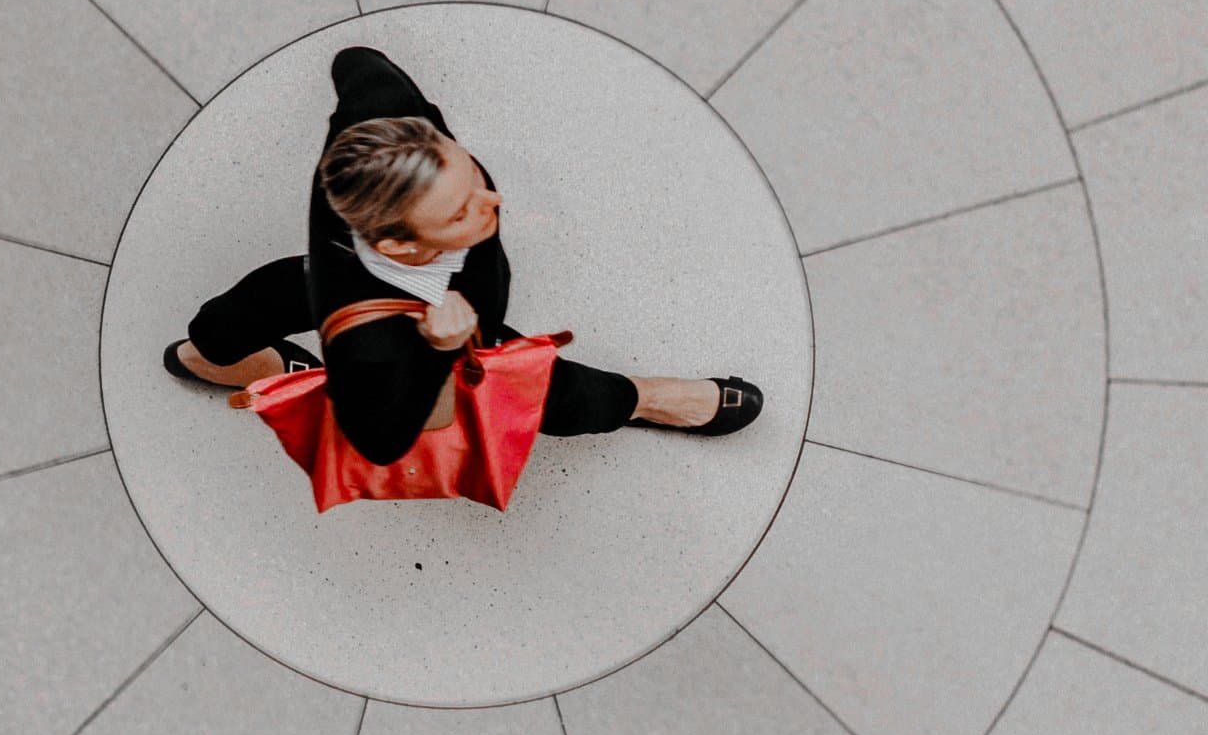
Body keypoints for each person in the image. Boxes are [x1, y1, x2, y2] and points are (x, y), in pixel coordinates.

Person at [164, 45, 762, 467]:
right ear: (399, 244)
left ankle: (219, 352)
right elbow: (388, 439)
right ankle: (646, 399)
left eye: (468, 169)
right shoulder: (372, 335)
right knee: (532, 387)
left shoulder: (389, 117)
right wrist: (441, 349)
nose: (493, 201)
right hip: (408, 322)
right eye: (459, 212)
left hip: (350, 267)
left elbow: (360, 64)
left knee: (261, 301)